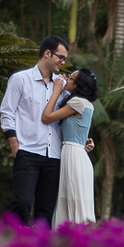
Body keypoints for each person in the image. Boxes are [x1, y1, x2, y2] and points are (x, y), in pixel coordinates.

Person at [0, 36, 70, 224]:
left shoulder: (62, 87)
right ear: (47, 53)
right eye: (60, 57)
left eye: (65, 59)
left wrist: (82, 139)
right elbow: (7, 113)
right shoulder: (20, 79)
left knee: (46, 211)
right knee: (22, 203)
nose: (63, 63)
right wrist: (14, 144)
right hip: (27, 152)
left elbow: (72, 115)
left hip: (54, 156)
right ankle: (14, 245)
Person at [42, 68, 98, 229]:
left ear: (78, 85)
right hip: (78, 154)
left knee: (71, 198)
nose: (67, 79)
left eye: (71, 78)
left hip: (73, 155)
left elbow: (46, 118)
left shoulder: (77, 102)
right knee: (76, 199)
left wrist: (55, 92)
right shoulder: (87, 104)